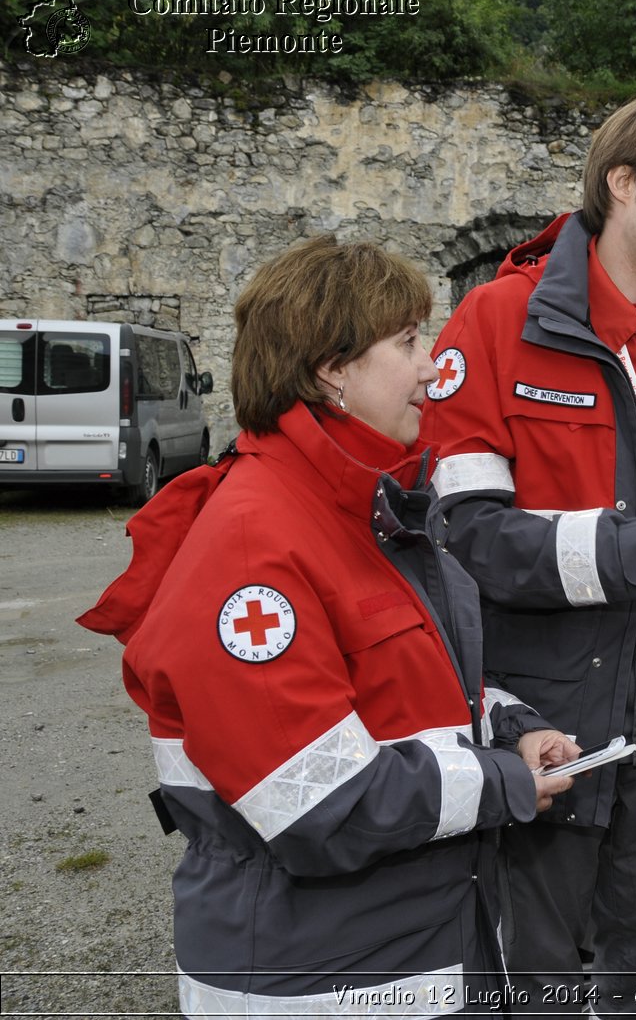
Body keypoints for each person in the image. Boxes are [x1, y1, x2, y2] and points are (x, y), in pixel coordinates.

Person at [77, 234, 580, 1015]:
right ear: (331, 369)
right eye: (409, 341)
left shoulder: (364, 512)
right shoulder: (256, 543)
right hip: (316, 980)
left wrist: (508, 724)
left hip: (402, 955)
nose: (430, 367)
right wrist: (504, 781)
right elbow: (316, 801)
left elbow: (407, 692)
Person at [418, 94, 636, 1016]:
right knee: (526, 982)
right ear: (621, 182)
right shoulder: (498, 323)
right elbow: (464, 537)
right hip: (544, 716)